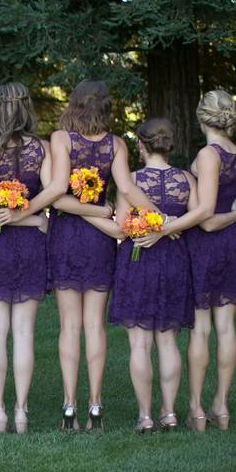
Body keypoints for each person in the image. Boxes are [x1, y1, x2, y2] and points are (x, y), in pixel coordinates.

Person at [134, 90, 236, 431]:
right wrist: (231, 215)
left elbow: (207, 217)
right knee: (226, 327)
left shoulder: (209, 155)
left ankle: (197, 408)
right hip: (231, 244)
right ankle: (221, 407)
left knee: (202, 328)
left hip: (204, 246)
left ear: (201, 117)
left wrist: (166, 226)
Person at [46, 80, 154, 431]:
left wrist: (87, 211)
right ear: (107, 108)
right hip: (98, 241)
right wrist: (162, 217)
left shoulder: (62, 139)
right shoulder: (117, 144)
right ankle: (95, 404)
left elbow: (59, 192)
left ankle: (68, 407)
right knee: (94, 325)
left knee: (70, 326)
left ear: (74, 105)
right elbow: (126, 188)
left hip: (66, 236)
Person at [0, 84, 51, 433]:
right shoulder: (42, 149)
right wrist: (31, 217)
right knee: (24, 332)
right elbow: (50, 194)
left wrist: (12, 215)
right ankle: (21, 411)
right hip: (31, 242)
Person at [107, 118, 196, 432]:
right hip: (174, 260)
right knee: (168, 341)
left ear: (141, 146)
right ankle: (169, 412)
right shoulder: (186, 179)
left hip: (138, 258)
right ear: (169, 145)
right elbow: (197, 217)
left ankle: (145, 415)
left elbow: (120, 225)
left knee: (140, 344)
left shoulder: (130, 180)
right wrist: (168, 227)